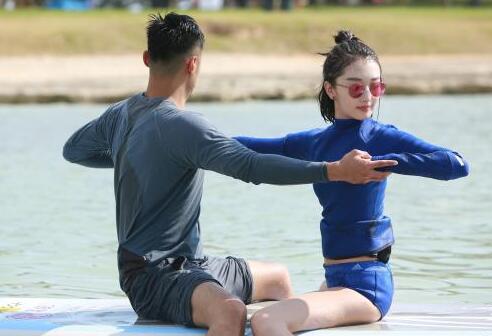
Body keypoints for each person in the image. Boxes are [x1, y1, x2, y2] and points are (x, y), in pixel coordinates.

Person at [62, 14, 397, 336]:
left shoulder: (120, 113)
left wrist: (147, 159)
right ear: (194, 64)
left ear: (148, 58)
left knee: (277, 278)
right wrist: (334, 171)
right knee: (230, 311)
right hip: (154, 276)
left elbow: (75, 150)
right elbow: (251, 165)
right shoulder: (184, 126)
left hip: (192, 263)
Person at [234, 30, 470, 335]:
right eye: (357, 88)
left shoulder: (381, 137)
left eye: (376, 87)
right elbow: (245, 146)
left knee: (267, 321)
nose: (369, 97)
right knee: (254, 321)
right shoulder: (313, 142)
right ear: (331, 90)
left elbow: (457, 164)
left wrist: (389, 162)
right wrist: (188, 137)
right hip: (333, 277)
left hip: (367, 284)